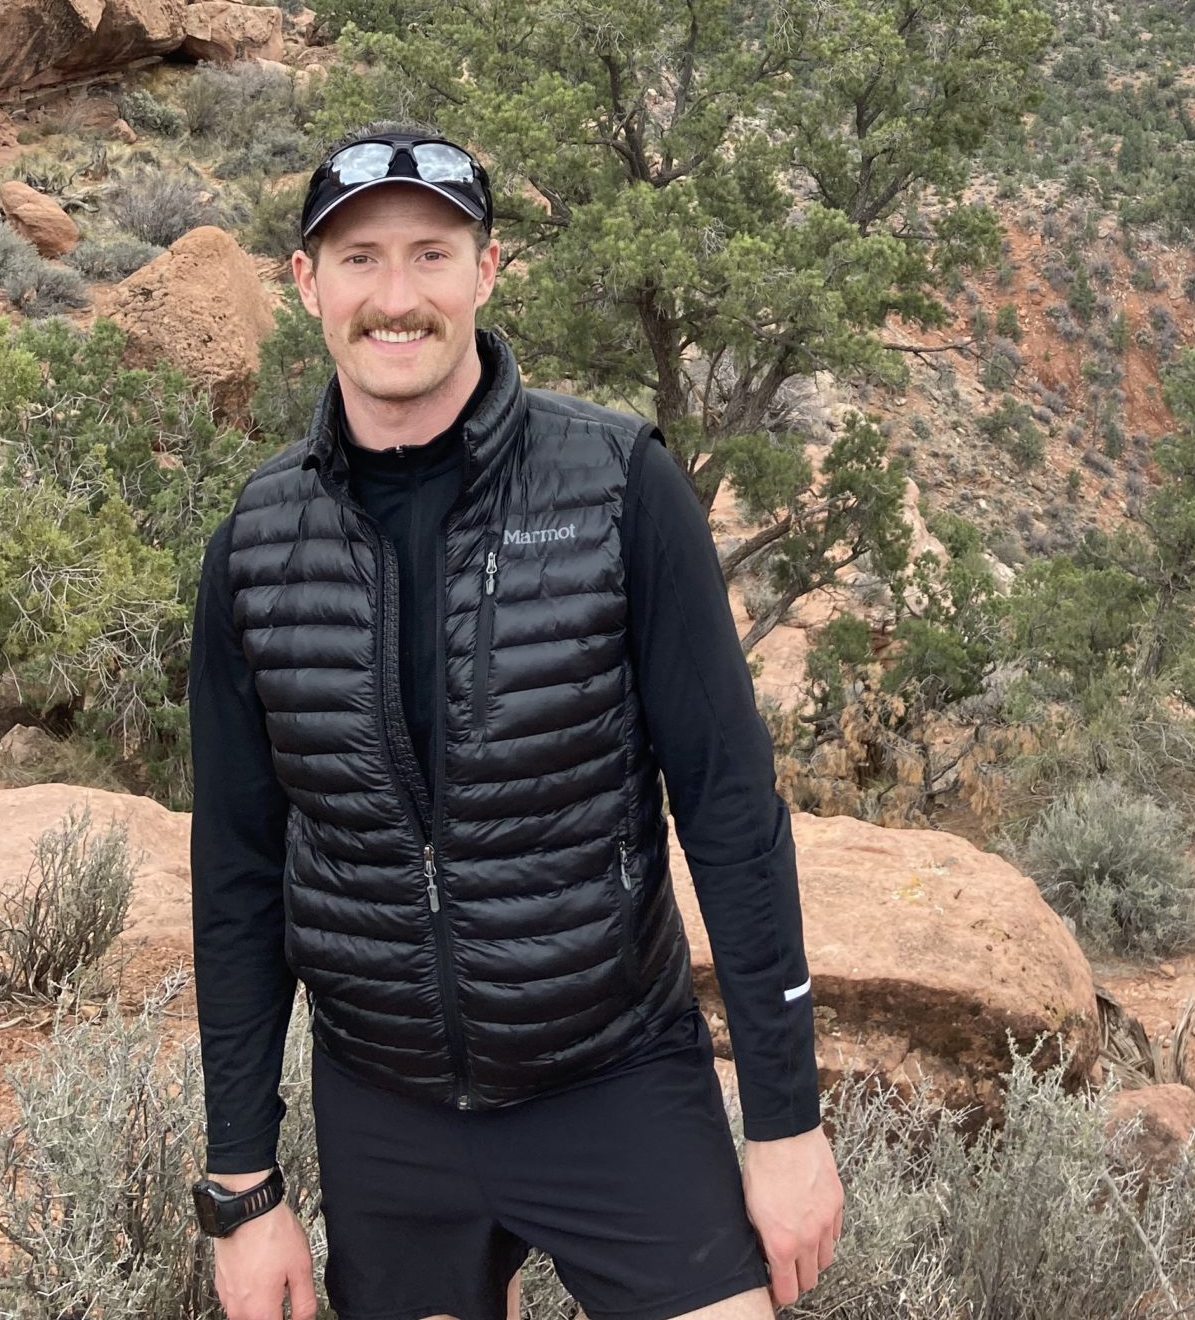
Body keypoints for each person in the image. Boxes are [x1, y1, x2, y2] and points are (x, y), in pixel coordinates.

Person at [189, 123, 843, 1320]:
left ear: (486, 272)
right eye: (361, 258)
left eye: (432, 255)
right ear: (306, 284)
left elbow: (732, 811)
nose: (398, 296)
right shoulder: (256, 542)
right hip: (383, 1114)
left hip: (614, 1079)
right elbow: (236, 871)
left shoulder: (617, 486)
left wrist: (787, 1119)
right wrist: (244, 1188)